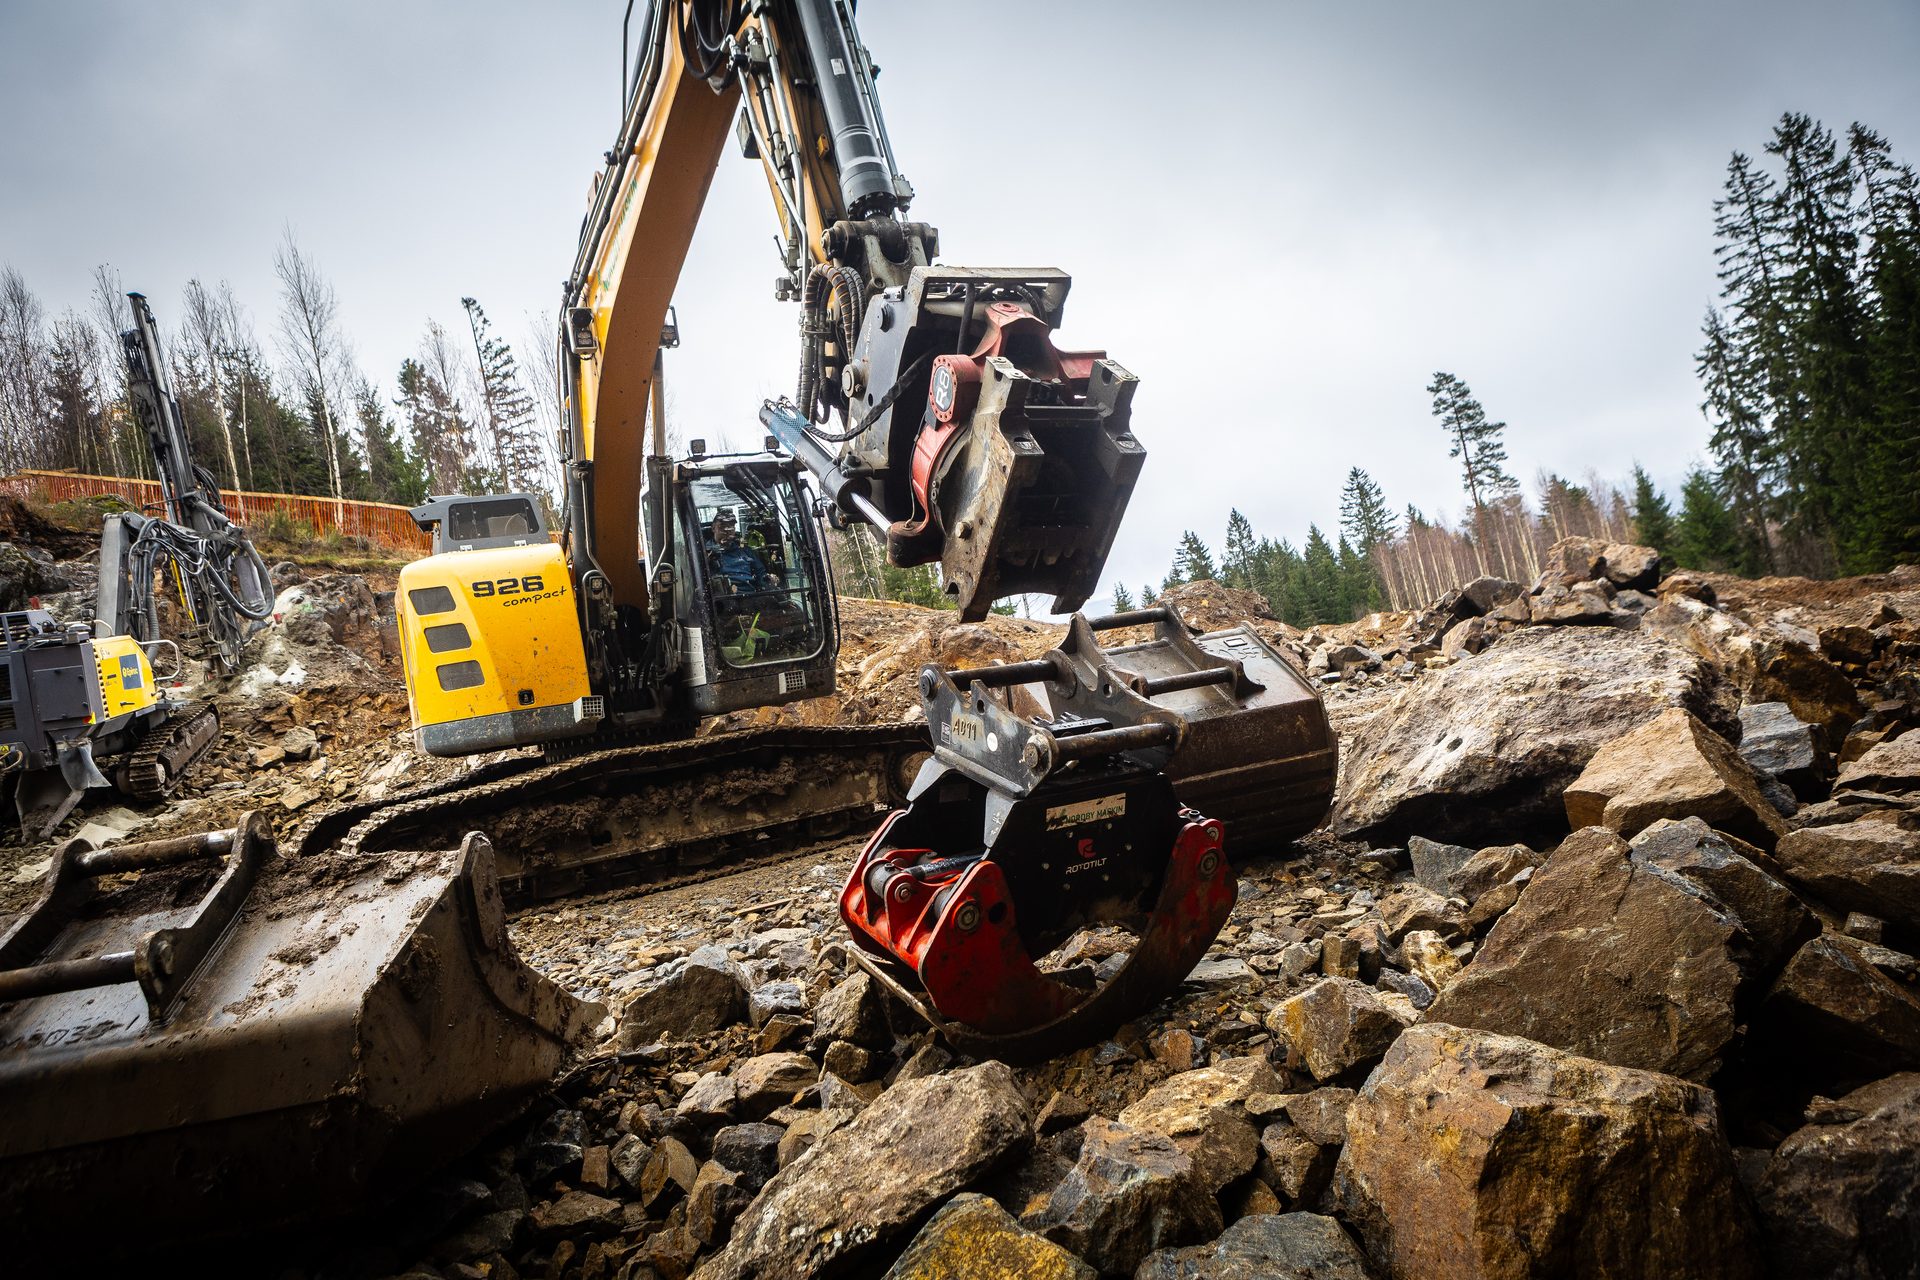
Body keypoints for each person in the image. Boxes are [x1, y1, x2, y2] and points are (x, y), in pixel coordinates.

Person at [706, 510, 771, 593]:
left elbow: (761, 574)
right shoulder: (705, 553)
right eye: (722, 527)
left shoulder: (745, 550)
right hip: (723, 600)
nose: (727, 531)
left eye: (731, 527)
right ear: (713, 528)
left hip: (751, 596)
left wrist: (769, 579)